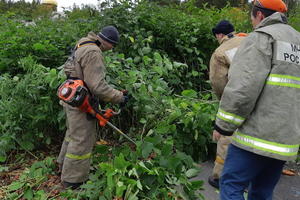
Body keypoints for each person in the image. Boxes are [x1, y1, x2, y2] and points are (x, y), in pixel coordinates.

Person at [213, 0, 300, 199]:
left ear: (259, 15)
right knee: (262, 191)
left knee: (231, 185)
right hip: (285, 141)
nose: (252, 23)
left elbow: (243, 89)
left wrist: (223, 126)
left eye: (252, 18)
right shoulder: (297, 40)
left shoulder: (262, 37)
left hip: (256, 137)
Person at [57, 26, 128, 189]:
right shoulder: (94, 52)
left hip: (70, 96)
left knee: (72, 135)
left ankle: (62, 166)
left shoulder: (83, 44)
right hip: (80, 101)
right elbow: (97, 87)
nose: (112, 49)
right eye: (113, 45)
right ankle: (72, 181)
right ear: (108, 42)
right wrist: (119, 97)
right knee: (82, 139)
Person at [208, 20, 247, 189]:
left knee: (226, 135)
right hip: (259, 97)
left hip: (236, 98)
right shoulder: (249, 40)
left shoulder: (220, 52)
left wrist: (224, 101)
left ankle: (219, 176)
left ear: (219, 35)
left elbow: (218, 83)